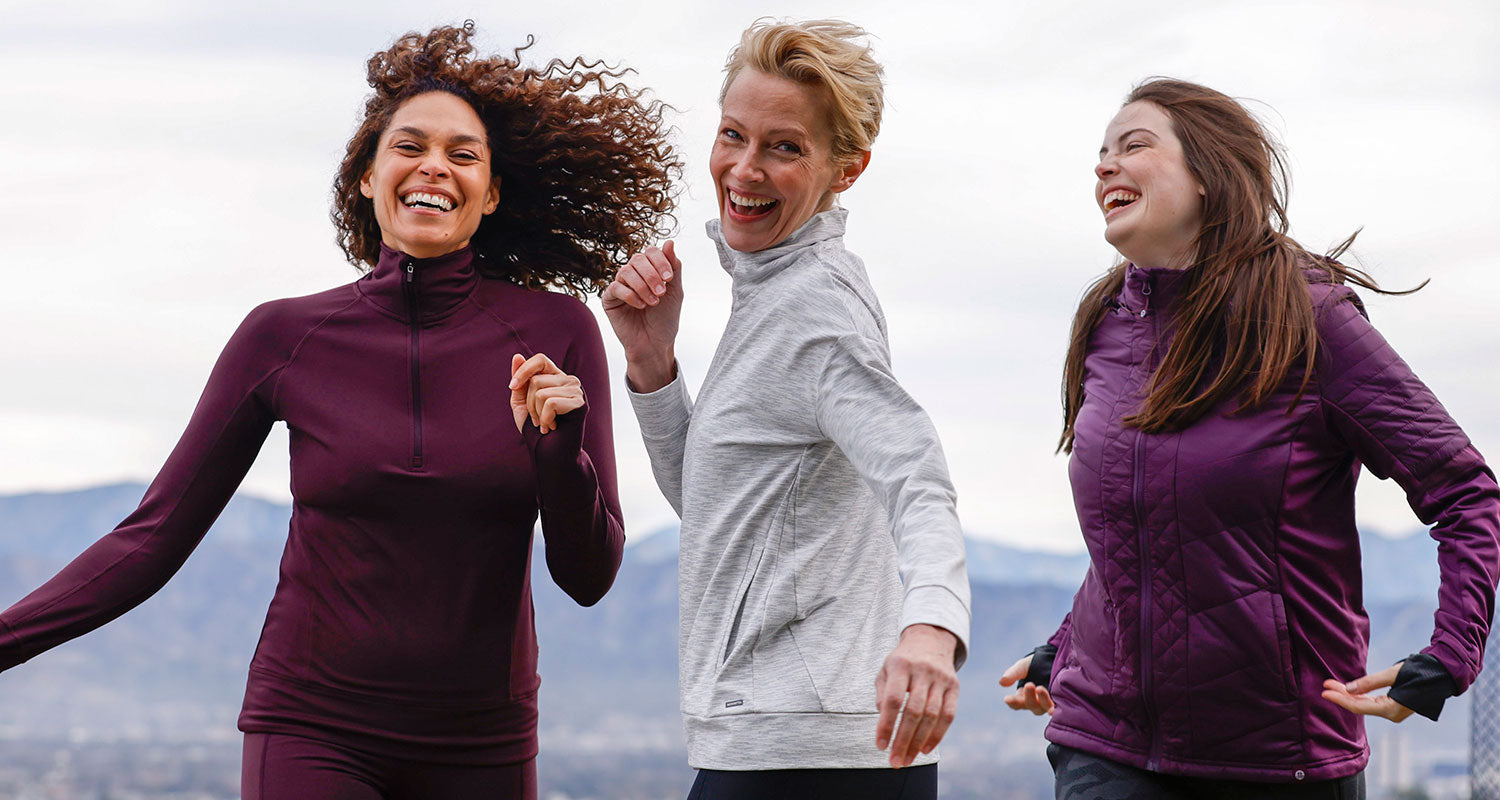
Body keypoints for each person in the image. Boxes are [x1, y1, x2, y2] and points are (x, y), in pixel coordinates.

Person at [0, 23, 678, 800]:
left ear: (490, 194)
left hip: (482, 742)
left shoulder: (556, 335)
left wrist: (560, 453)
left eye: (463, 155)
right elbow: (152, 538)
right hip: (311, 730)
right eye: (409, 146)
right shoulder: (284, 337)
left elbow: (588, 576)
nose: (434, 167)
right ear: (366, 176)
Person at [998, 78, 1500, 799]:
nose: (1104, 166)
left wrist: (1451, 654)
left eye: (1133, 146)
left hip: (1277, 759)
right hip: (1104, 746)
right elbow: (1138, 533)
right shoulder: (1106, 320)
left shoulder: (1307, 319)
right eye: (1099, 154)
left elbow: (1464, 491)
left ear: (1208, 174)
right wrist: (1065, 648)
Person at [601, 19, 970, 800]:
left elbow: (917, 474)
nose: (744, 168)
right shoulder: (770, 290)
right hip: (784, 746)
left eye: (785, 147)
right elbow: (718, 509)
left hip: (806, 758)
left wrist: (934, 630)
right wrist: (651, 364)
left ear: (848, 168)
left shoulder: (815, 307)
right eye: (734, 134)